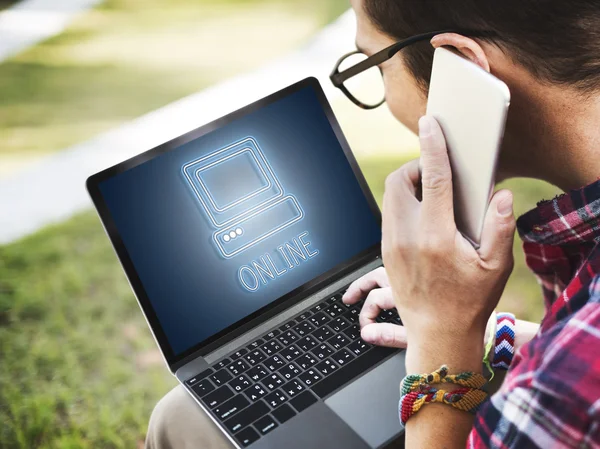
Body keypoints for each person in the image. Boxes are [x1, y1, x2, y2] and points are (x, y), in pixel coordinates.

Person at [145, 0, 600, 447]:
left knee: (177, 420)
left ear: (464, 69)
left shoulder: (567, 394)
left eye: (375, 66)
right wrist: (483, 334)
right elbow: (567, 351)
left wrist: (442, 344)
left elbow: (569, 377)